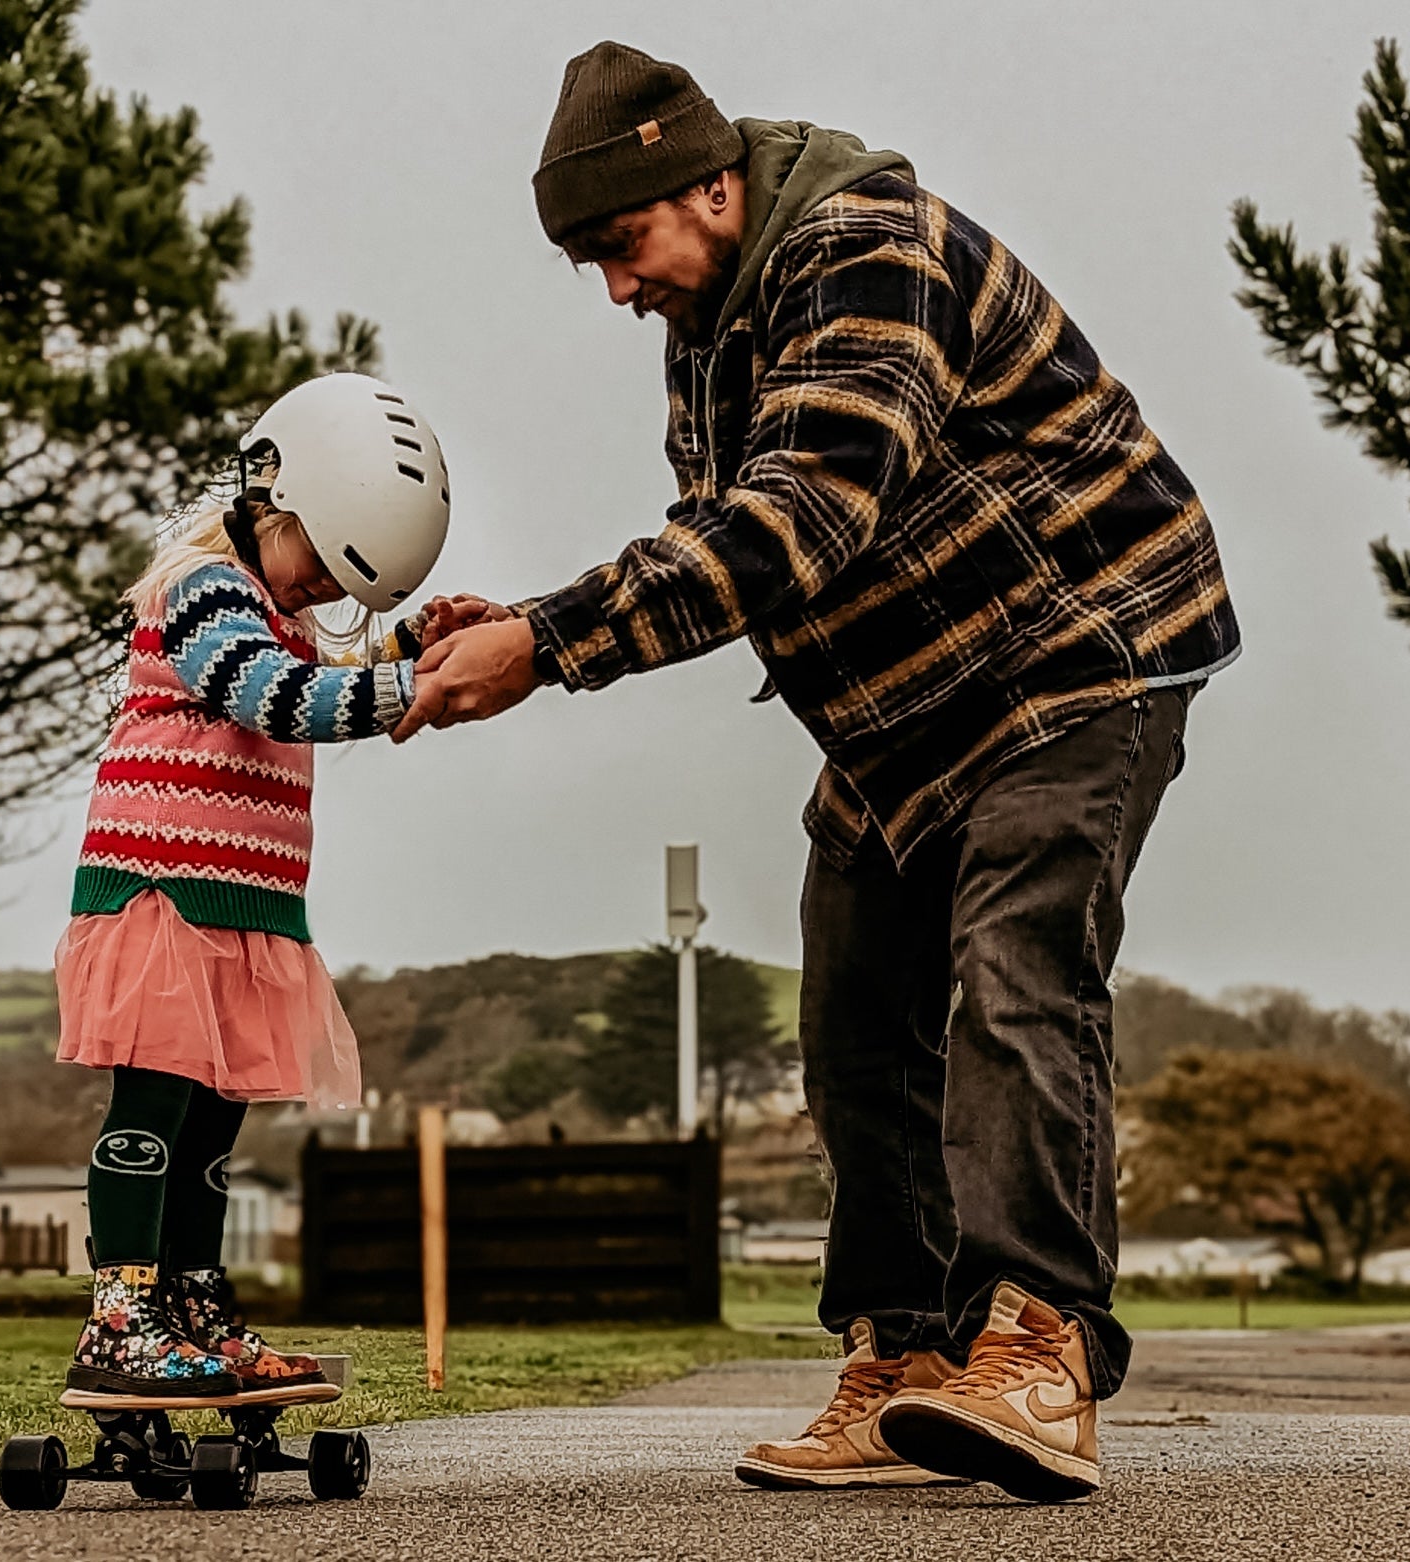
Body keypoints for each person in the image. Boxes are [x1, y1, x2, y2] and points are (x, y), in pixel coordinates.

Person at [403, 43, 1239, 1502]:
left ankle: (1038, 1344)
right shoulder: (715, 320)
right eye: (586, 263)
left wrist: (547, 643)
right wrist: (525, 616)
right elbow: (719, 527)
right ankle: (905, 1355)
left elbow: (798, 522)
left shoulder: (862, 248)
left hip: (1075, 649)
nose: (614, 287)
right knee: (853, 1020)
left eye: (621, 244)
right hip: (902, 706)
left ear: (709, 181)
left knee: (1014, 970)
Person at [54, 371, 453, 1401]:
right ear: (275, 500)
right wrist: (408, 685)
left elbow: (312, 678)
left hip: (245, 906)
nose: (323, 590)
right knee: (153, 1102)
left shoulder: (279, 608)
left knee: (217, 1122)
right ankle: (121, 1320)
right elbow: (270, 698)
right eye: (319, 563)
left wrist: (415, 644)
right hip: (165, 892)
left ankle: (191, 1300)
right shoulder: (207, 589)